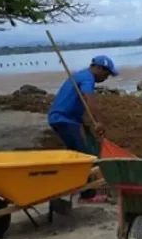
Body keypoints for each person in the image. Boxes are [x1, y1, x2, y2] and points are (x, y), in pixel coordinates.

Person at [48, 55, 119, 202]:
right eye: (106, 74)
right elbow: (90, 102)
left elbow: (74, 102)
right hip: (63, 119)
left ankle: (74, 186)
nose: (106, 78)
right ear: (98, 68)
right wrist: (99, 122)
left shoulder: (80, 75)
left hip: (64, 118)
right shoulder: (88, 79)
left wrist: (84, 123)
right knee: (84, 158)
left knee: (75, 155)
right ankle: (87, 195)